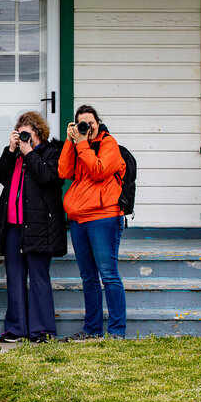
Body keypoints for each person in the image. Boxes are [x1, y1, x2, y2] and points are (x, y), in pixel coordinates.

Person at [0, 112, 67, 343]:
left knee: (38, 278)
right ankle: (16, 328)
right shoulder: (15, 156)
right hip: (13, 227)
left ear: (39, 133)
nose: (24, 137)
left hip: (39, 226)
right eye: (20, 133)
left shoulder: (51, 154)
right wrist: (11, 149)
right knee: (14, 278)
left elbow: (49, 178)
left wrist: (30, 153)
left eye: (28, 133)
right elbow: (0, 176)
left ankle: (42, 330)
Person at [57, 104, 127, 340]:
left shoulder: (109, 144)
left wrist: (82, 144)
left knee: (108, 275)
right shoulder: (77, 145)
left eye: (90, 122)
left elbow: (98, 170)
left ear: (98, 123)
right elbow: (64, 171)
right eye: (81, 124)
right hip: (78, 219)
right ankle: (92, 329)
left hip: (104, 217)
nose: (87, 127)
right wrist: (70, 141)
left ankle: (117, 332)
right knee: (88, 276)